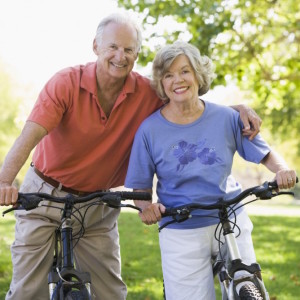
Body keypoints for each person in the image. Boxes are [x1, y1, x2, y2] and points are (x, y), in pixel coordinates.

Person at [0, 12, 262, 300]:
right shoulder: (66, 84)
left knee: (110, 292)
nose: (120, 56)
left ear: (137, 53)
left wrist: (233, 110)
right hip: (45, 193)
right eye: (112, 47)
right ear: (96, 47)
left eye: (128, 49)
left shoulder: (146, 92)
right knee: (28, 289)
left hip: (97, 203)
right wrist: (5, 182)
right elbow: (29, 136)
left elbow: (188, 100)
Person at [124, 41, 297, 300]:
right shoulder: (149, 130)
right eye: (168, 75)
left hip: (230, 216)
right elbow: (140, 189)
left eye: (185, 71)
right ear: (161, 83)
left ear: (198, 75)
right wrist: (145, 207)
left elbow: (266, 153)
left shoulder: (227, 117)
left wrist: (282, 170)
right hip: (180, 225)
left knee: (249, 286)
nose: (177, 80)